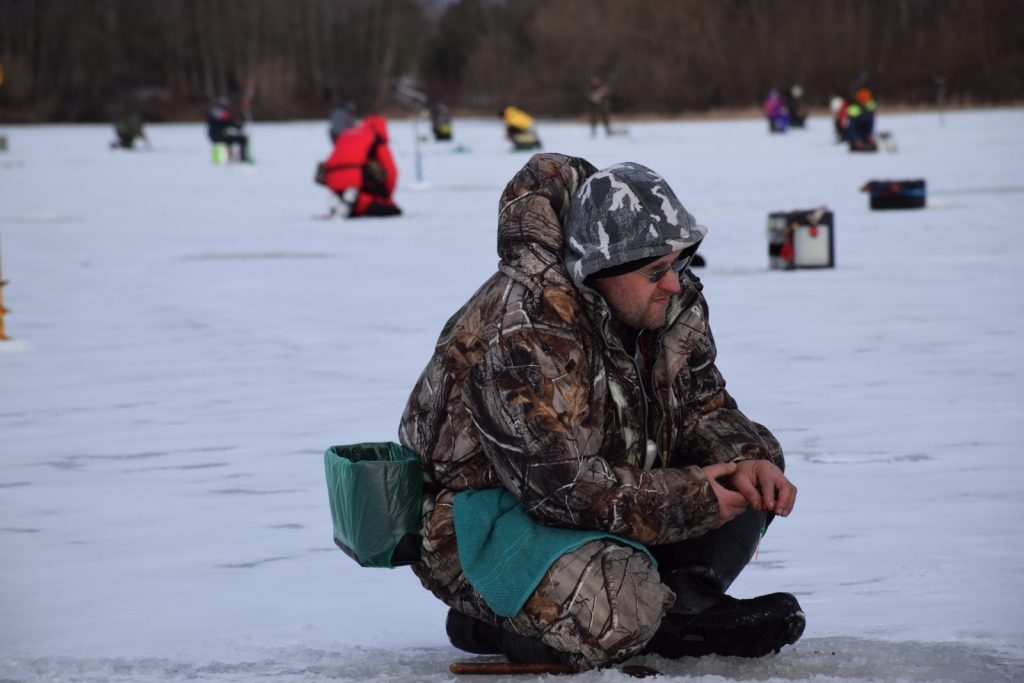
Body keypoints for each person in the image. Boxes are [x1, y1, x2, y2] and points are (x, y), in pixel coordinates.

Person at [399, 153, 804, 671]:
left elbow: (705, 407)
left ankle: (685, 603)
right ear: (599, 272)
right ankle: (493, 622)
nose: (675, 283)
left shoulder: (668, 306)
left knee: (755, 474)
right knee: (620, 608)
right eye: (656, 270)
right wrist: (694, 496)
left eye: (681, 263)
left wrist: (746, 458)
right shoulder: (522, 331)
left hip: (600, 491)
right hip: (480, 518)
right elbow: (560, 490)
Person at [320, 114, 401, 218]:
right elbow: (391, 171)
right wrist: (387, 197)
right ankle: (355, 201)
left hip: (332, 178)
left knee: (358, 174)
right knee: (393, 211)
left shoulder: (346, 135)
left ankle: (341, 197)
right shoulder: (377, 138)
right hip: (354, 177)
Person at [207, 97, 252, 162]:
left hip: (213, 136)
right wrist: (239, 126)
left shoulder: (213, 113)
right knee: (243, 139)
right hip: (220, 136)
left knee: (229, 139)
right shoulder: (224, 114)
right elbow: (229, 123)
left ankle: (229, 156)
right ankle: (243, 158)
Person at [845, 87, 878, 152]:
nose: (865, 101)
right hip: (856, 137)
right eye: (863, 99)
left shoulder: (870, 107)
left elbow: (871, 124)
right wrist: (855, 139)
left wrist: (870, 135)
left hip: (865, 136)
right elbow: (851, 127)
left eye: (866, 99)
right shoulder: (854, 109)